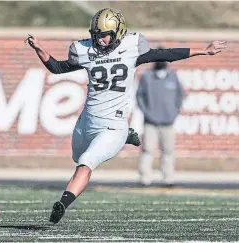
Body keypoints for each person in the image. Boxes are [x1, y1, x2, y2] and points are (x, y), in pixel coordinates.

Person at [26, 8, 227, 224]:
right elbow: (57, 68)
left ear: (118, 33)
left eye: (105, 34)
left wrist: (203, 51)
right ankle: (127, 135)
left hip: (114, 125)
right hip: (87, 120)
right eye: (96, 35)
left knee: (85, 163)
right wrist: (39, 49)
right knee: (77, 156)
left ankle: (63, 203)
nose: (100, 40)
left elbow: (166, 54)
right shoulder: (84, 50)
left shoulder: (131, 48)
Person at [136, 56, 185, 186]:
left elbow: (180, 96)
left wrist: (174, 113)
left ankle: (168, 177)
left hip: (168, 122)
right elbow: (139, 96)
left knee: (168, 150)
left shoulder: (172, 76)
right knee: (147, 149)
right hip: (150, 122)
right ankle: (145, 177)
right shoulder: (147, 76)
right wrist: (147, 112)